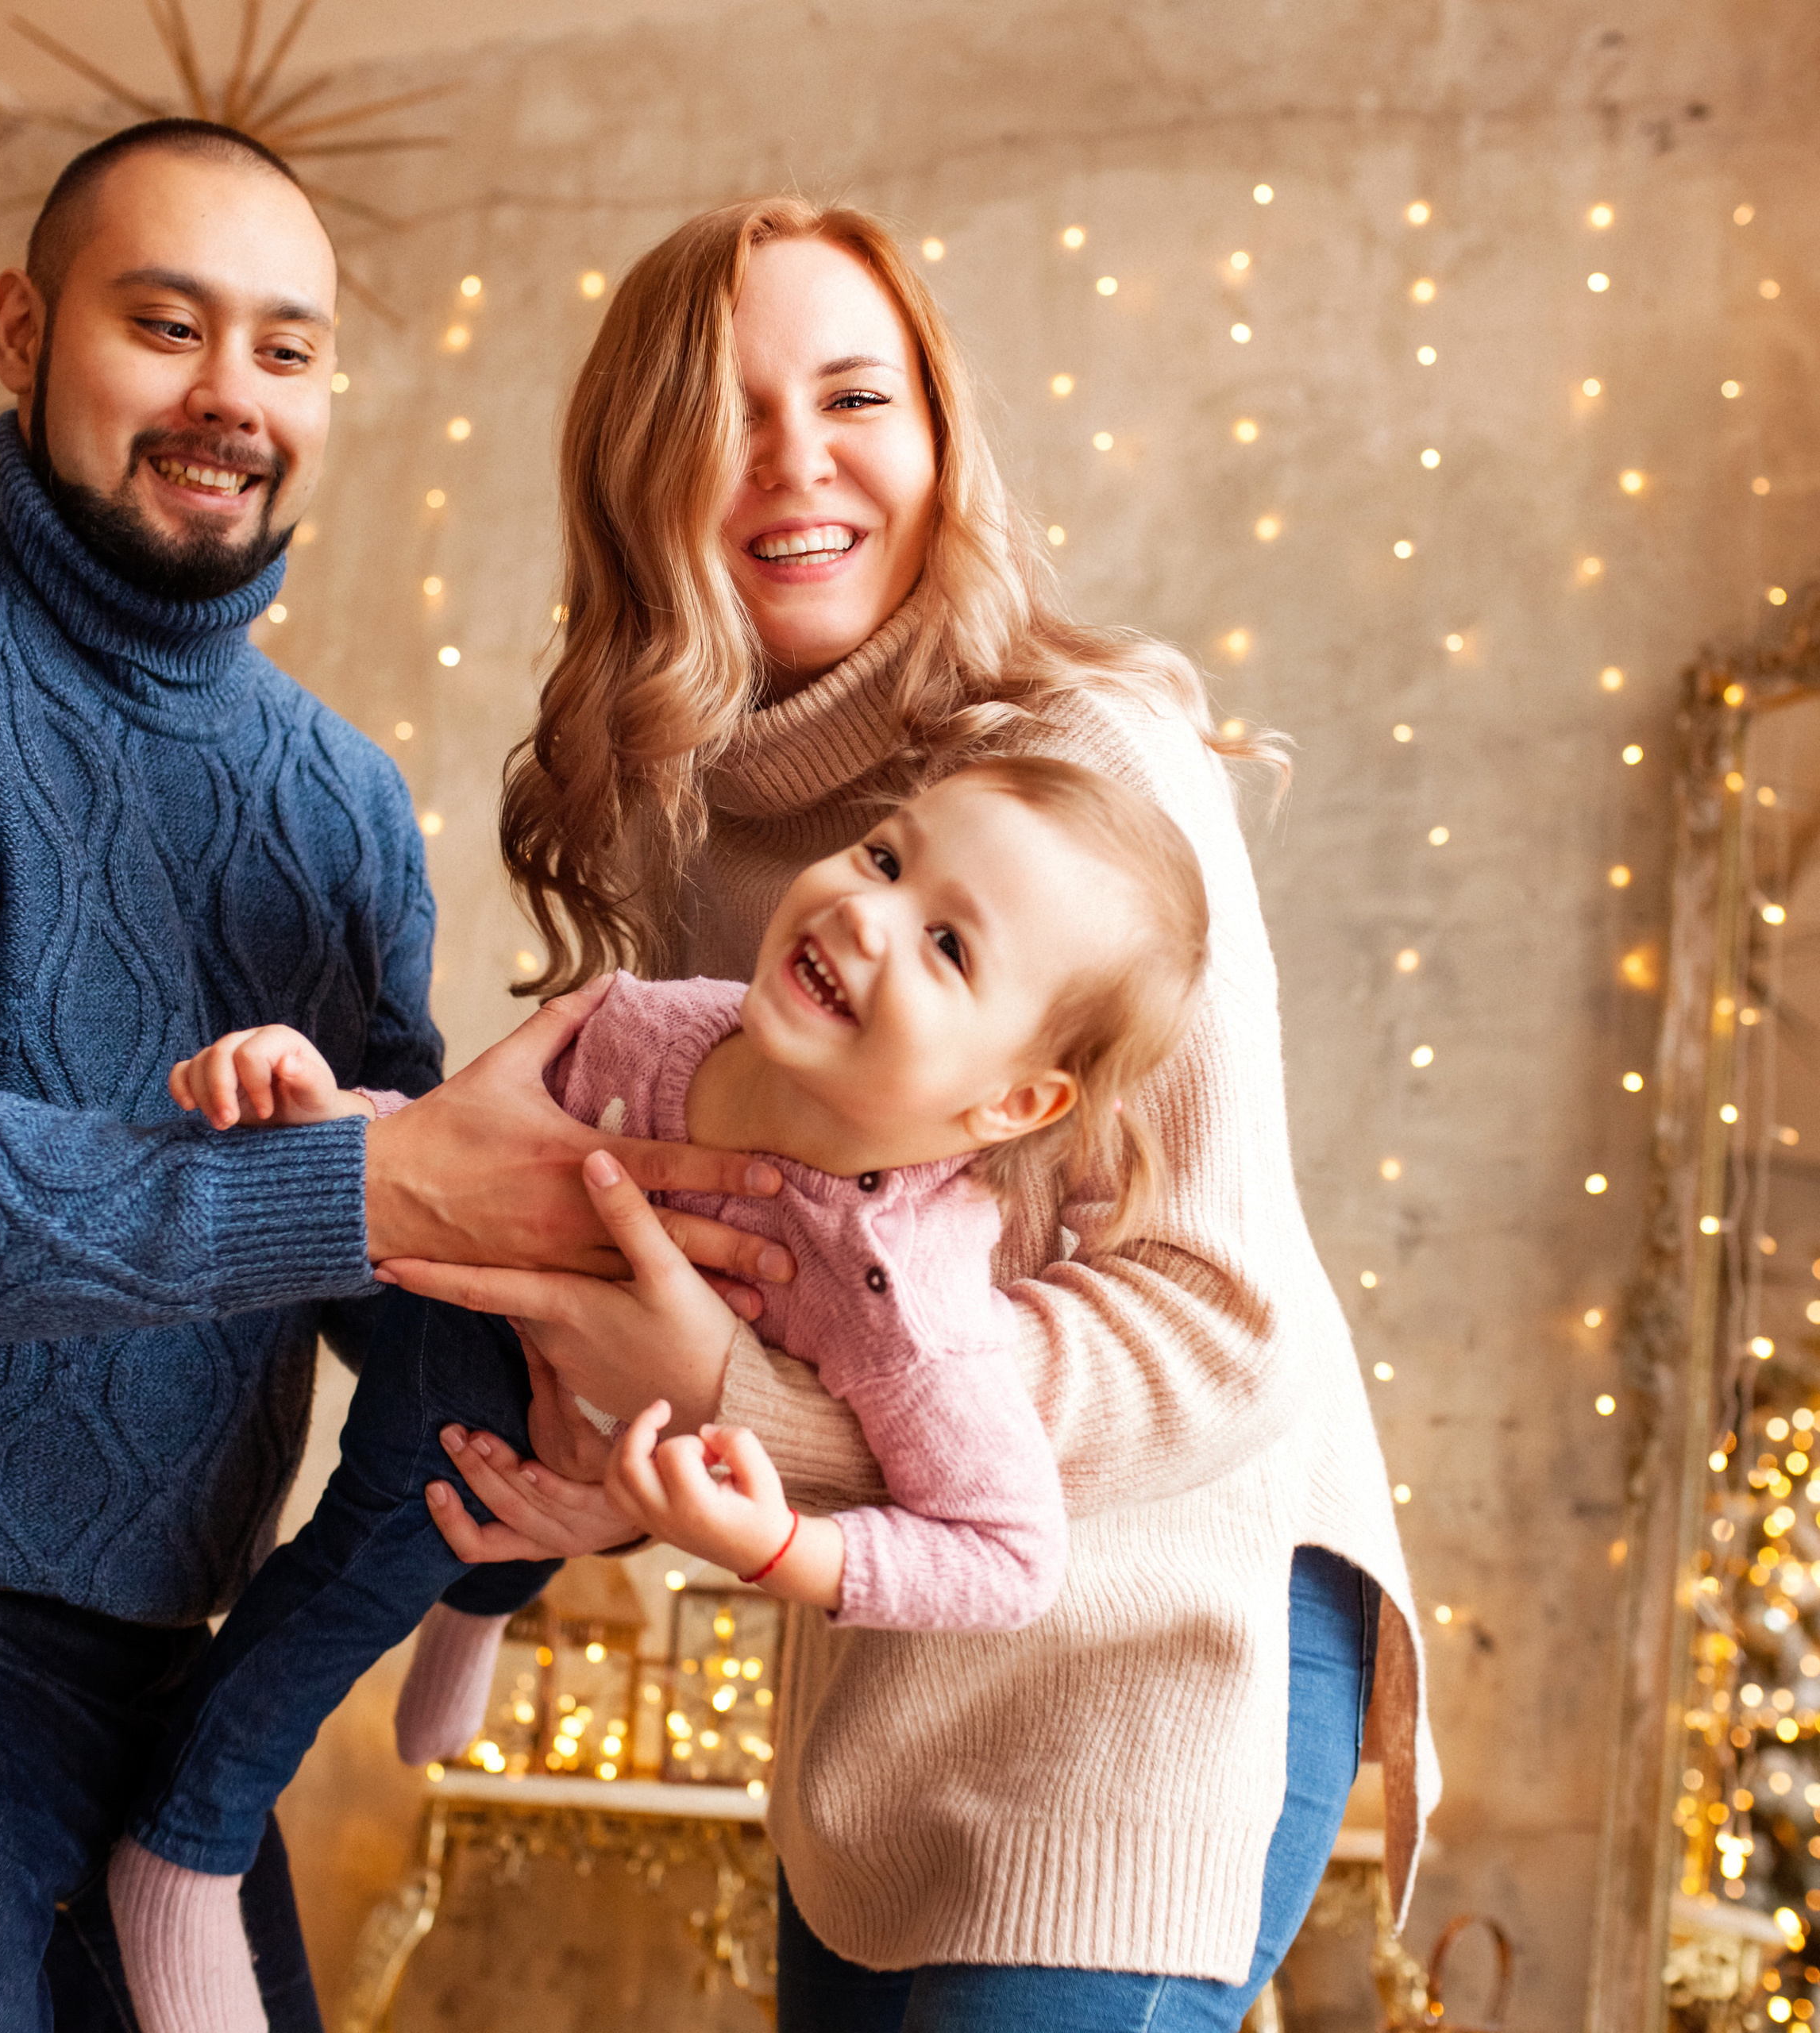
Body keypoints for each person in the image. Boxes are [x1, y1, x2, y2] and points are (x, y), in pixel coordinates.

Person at [384, 199, 1444, 2029]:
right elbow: (741, 1260)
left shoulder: (1091, 771)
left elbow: (1219, 1326)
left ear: (938, 439)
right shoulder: (686, 826)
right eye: (725, 416)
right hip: (882, 1675)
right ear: (636, 476)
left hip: (1155, 1646)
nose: (796, 461)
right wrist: (611, 1475)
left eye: (853, 397)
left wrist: (736, 1397)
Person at [0, 120, 782, 2033]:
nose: (233, 395)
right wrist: (366, 1182)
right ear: (24, 332)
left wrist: (583, 1417)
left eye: (285, 349)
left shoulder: (340, 797)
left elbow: (400, 1258)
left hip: (180, 1673)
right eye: (167, 325)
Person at [107, 752, 1214, 2032]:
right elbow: (461, 1150)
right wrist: (334, 1117)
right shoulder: (650, 1026)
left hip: (595, 1423)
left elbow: (1009, 1555)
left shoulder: (905, 1304)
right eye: (885, 857)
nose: (867, 915)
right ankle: (187, 1840)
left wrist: (781, 1547)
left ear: (1013, 1100)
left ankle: (466, 1612)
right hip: (467, 1316)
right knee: (399, 1515)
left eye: (950, 947)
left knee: (525, 1491)